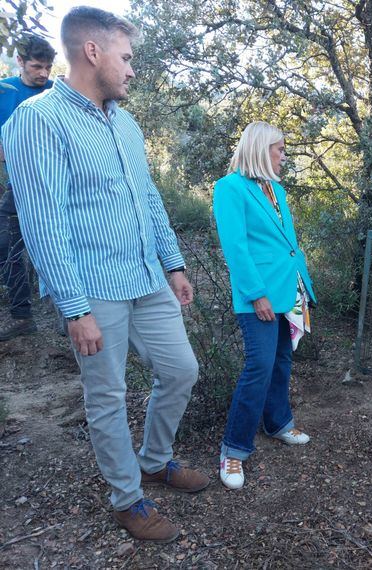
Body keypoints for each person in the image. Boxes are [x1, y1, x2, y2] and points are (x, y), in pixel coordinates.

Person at [2, 7, 208, 542]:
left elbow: (148, 198)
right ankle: (127, 497)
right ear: (93, 52)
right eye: (127, 57)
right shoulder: (37, 120)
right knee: (107, 398)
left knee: (182, 371)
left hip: (146, 278)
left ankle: (155, 458)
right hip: (94, 290)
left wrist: (173, 262)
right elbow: (42, 221)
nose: (133, 70)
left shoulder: (127, 122)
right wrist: (74, 308)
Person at [213, 121, 317, 490]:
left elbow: (285, 242)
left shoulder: (276, 190)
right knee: (258, 365)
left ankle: (278, 423)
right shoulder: (230, 188)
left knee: (282, 359)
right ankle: (234, 450)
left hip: (288, 288)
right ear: (260, 148)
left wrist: (301, 284)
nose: (283, 157)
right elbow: (236, 248)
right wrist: (257, 294)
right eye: (279, 149)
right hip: (257, 294)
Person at [0, 34, 55, 341]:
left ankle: (69, 313)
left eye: (48, 66)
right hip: (18, 184)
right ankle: (23, 316)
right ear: (19, 61)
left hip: (58, 185)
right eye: (36, 66)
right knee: (6, 247)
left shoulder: (57, 91)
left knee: (64, 245)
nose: (43, 73)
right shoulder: (4, 91)